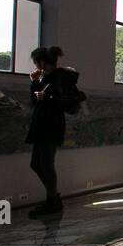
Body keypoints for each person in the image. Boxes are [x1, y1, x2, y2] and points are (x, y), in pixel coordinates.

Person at [26, 46, 81, 218]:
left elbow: (70, 104)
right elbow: (36, 102)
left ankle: (52, 200)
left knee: (46, 163)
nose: (35, 66)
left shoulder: (60, 78)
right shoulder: (45, 79)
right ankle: (53, 197)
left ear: (42, 62)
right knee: (36, 163)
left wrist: (49, 98)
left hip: (51, 125)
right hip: (41, 124)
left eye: (36, 62)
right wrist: (34, 83)